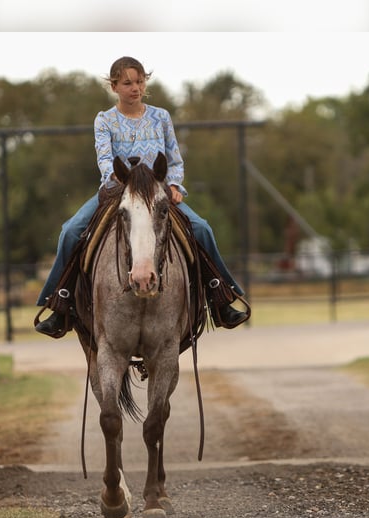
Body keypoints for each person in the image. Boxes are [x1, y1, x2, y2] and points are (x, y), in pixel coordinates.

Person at [35, 56, 248, 336]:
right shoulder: (104, 120)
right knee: (71, 230)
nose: (135, 88)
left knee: (201, 228)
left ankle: (219, 296)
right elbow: (104, 159)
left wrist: (173, 185)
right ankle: (60, 301)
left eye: (140, 81)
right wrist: (118, 179)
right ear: (114, 87)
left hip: (158, 192)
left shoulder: (161, 117)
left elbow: (174, 158)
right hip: (119, 190)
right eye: (127, 83)